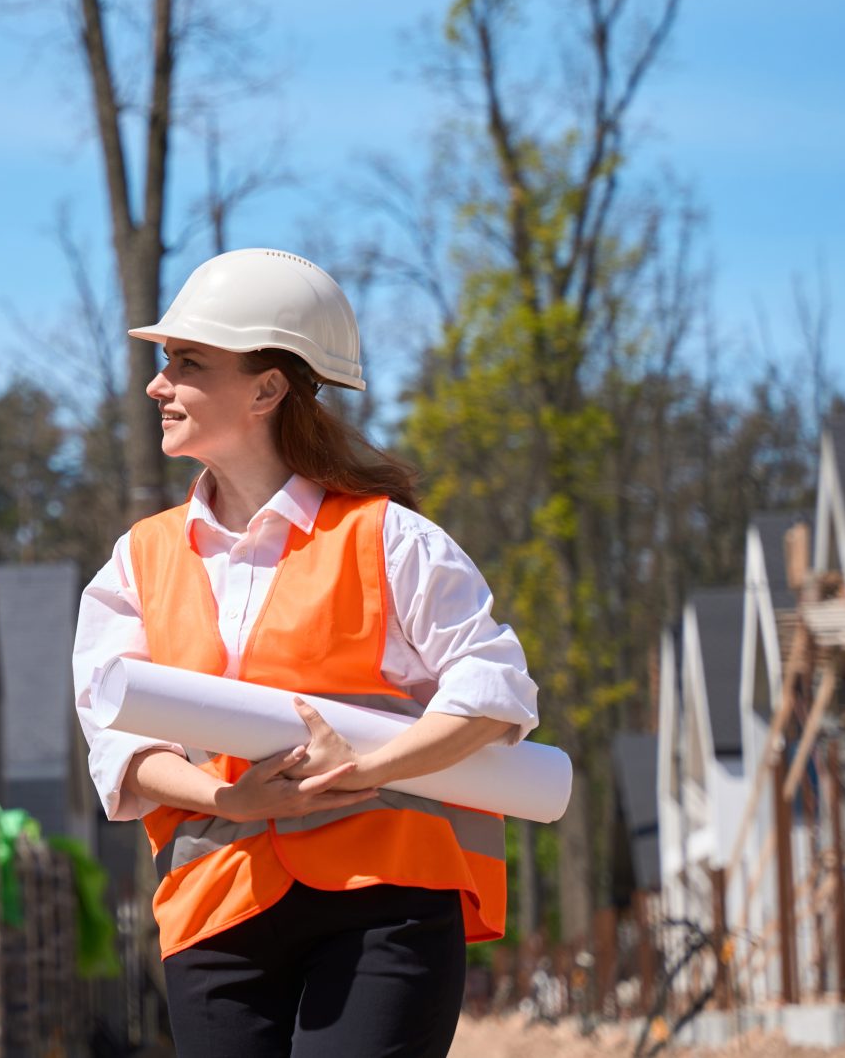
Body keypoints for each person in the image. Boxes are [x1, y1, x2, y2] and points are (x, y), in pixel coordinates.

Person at [73, 248, 538, 1058]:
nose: (158, 382)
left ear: (266, 387)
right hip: (216, 905)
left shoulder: (390, 539)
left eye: (187, 361)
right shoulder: (137, 562)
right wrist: (230, 804)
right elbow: (118, 744)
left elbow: (494, 694)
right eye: (164, 360)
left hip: (385, 899)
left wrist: (361, 769)